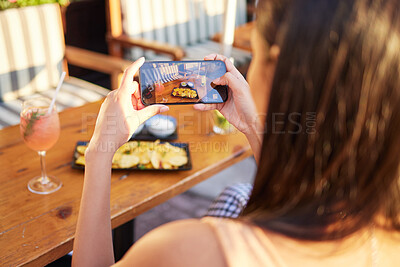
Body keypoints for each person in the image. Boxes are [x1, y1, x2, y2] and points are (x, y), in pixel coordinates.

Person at [72, 0, 400, 266]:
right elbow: (301, 189)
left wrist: (100, 150)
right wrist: (254, 126)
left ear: (276, 66)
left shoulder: (187, 251)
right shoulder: (386, 231)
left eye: (254, 54)